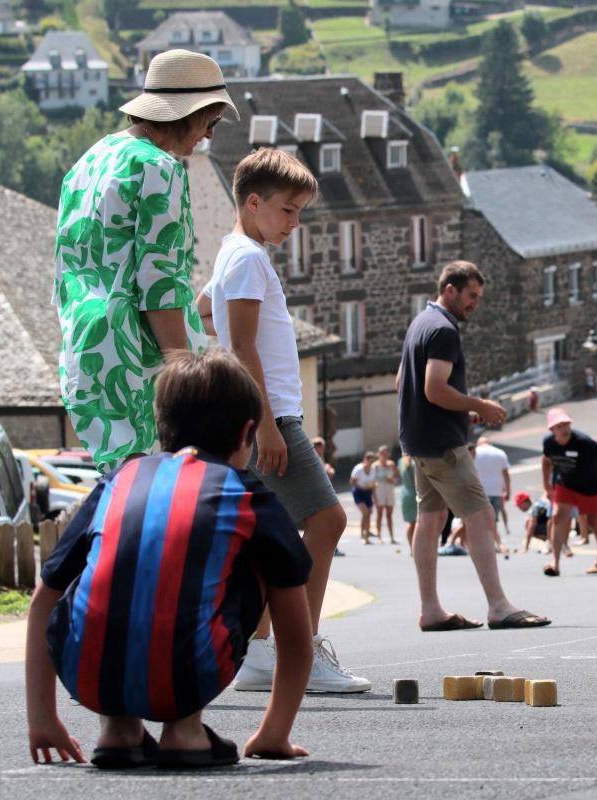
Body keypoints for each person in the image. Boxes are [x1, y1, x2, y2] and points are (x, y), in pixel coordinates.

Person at [25, 350, 313, 768]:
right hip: (187, 677)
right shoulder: (247, 494)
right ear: (246, 433)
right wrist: (274, 732)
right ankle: (185, 730)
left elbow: (42, 603)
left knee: (106, 568)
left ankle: (117, 730)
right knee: (264, 567)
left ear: (163, 429)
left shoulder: (119, 479)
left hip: (85, 675)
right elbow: (296, 640)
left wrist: (43, 718)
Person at [197, 147, 367, 694]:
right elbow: (244, 345)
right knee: (328, 522)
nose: (295, 223)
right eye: (288, 210)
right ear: (253, 202)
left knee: (274, 536)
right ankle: (302, 651)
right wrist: (268, 424)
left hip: (261, 413)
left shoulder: (234, 253)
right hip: (270, 414)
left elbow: (203, 309)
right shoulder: (248, 258)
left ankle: (261, 653)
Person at [54, 50, 237, 473]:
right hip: (140, 361)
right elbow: (161, 287)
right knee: (164, 504)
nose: (208, 136)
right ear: (185, 115)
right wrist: (186, 386)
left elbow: (67, 273)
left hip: (87, 353)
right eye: (209, 122)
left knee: (123, 497)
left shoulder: (91, 160)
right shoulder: (158, 168)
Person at [397, 261, 549, 631]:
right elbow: (434, 388)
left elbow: (404, 379)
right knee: (481, 516)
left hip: (419, 441)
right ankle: (498, 606)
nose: (474, 304)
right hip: (443, 446)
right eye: (471, 296)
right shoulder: (444, 329)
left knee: (430, 521)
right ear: (450, 289)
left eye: (477, 297)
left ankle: (431, 609)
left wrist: (460, 411)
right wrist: (477, 405)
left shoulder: (420, 323)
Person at [541, 408, 597, 577]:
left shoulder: (584, 442)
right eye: (559, 426)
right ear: (552, 430)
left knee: (593, 522)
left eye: (566, 424)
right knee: (558, 516)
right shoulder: (549, 443)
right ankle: (554, 562)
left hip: (589, 485)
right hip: (566, 484)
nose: (564, 428)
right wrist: (546, 484)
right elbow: (546, 460)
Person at [474, 437, 512, 540]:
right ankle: (493, 541)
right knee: (493, 519)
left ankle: (484, 541)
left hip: (480, 492)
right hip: (497, 491)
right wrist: (508, 491)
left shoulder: (474, 453)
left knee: (480, 519)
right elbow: (506, 474)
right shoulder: (500, 453)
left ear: (478, 444)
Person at [350, 452, 378, 544]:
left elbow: (373, 483)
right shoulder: (358, 469)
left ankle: (365, 533)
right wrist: (362, 487)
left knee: (368, 514)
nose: (370, 463)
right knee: (365, 512)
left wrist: (374, 496)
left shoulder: (373, 469)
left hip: (368, 492)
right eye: (368, 460)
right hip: (358, 492)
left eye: (372, 461)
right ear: (365, 459)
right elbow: (352, 482)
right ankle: (364, 536)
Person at [373, 445, 399, 545]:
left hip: (389, 489)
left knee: (389, 514)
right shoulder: (375, 465)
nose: (384, 455)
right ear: (379, 454)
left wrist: (393, 480)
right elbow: (372, 479)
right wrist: (373, 494)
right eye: (382, 453)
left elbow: (396, 475)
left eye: (386, 452)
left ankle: (392, 536)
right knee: (379, 514)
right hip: (379, 490)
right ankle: (379, 536)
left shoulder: (391, 464)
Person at [399, 453, 418, 547]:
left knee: (411, 523)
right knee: (417, 523)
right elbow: (417, 482)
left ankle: (412, 547)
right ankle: (416, 547)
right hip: (414, 494)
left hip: (405, 494)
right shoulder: (415, 463)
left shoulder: (400, 461)